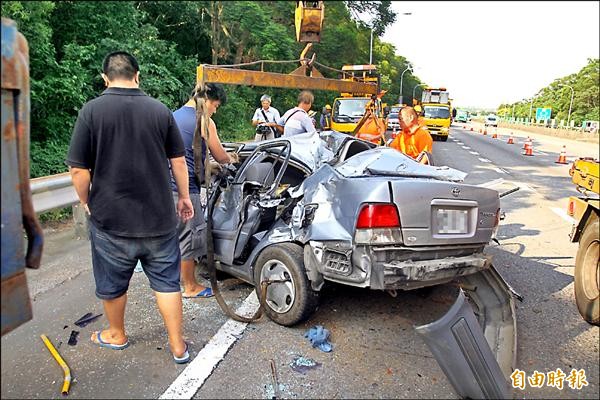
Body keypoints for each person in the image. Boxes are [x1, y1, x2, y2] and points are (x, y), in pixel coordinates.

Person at [66, 51, 193, 363]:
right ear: (138, 75)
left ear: (105, 78)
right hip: (159, 218)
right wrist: (184, 197)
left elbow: (78, 171)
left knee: (112, 281)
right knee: (166, 281)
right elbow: (178, 161)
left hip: (111, 218)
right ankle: (178, 346)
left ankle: (116, 334)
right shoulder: (160, 110)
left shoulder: (91, 111)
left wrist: (85, 200)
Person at [171, 84, 237, 299]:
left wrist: (208, 166)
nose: (215, 111)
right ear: (207, 100)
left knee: (174, 234)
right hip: (184, 189)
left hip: (163, 187)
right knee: (189, 237)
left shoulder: (174, 116)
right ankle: (190, 286)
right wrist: (233, 159)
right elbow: (221, 156)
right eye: (215, 106)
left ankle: (173, 276)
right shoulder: (204, 121)